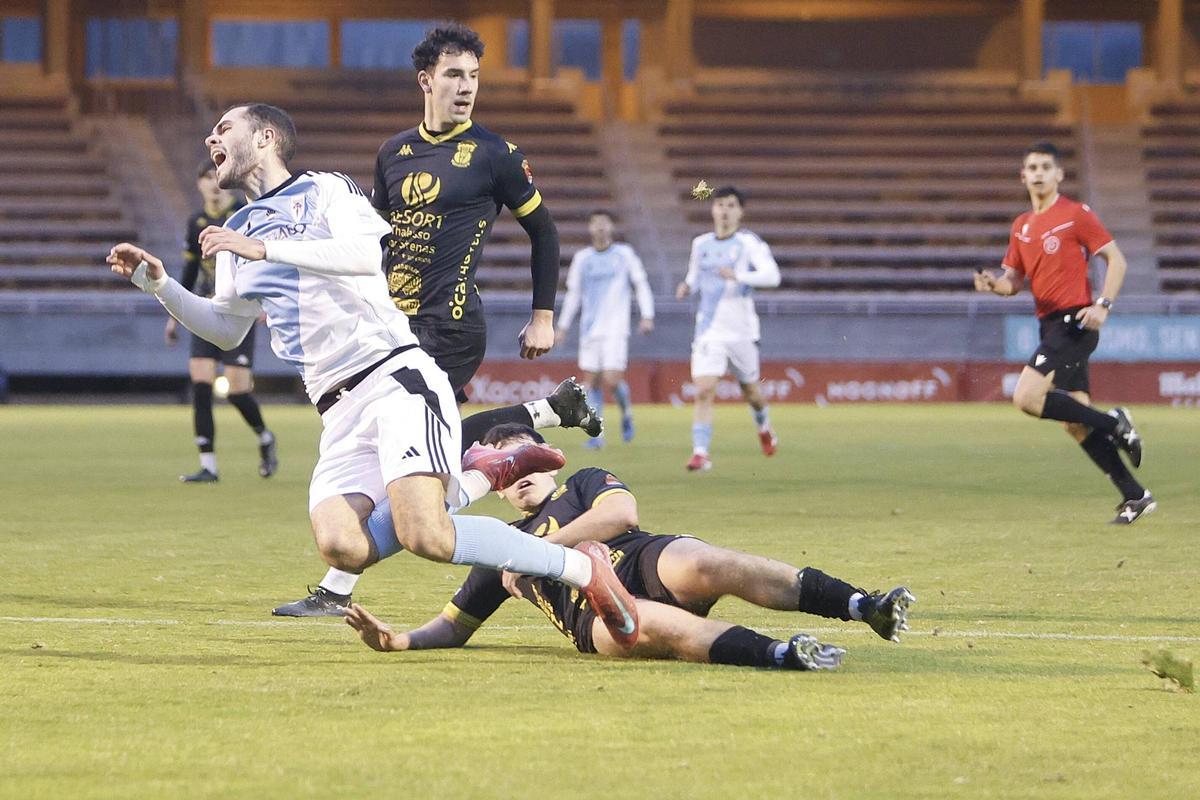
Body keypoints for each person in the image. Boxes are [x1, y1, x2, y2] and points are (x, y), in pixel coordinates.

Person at [106, 102, 640, 648]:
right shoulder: (234, 228)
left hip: (393, 377)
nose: (210, 138)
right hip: (335, 409)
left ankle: (581, 570)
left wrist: (266, 247)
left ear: (265, 137)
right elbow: (226, 330)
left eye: (224, 128)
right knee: (344, 547)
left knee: (425, 534)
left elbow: (365, 254)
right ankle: (483, 471)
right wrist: (161, 286)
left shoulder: (323, 190)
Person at [345, 424, 915, 671]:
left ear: (544, 458)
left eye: (519, 452)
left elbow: (622, 514)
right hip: (593, 617)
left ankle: (865, 606)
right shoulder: (495, 542)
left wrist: (540, 552)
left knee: (710, 561)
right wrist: (395, 640)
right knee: (650, 622)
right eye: (499, 465)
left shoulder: (581, 485)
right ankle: (784, 654)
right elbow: (454, 627)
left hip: (645, 558)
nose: (514, 470)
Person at [974, 141, 1153, 525]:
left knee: (1025, 397)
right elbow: (1015, 281)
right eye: (1031, 167)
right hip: (1050, 323)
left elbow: (1116, 260)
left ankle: (1115, 422)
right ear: (1023, 176)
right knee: (1075, 422)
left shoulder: (1076, 214)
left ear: (1059, 175)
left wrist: (1102, 305)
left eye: (1044, 167)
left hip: (1076, 322)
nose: (1037, 173)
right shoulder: (1021, 226)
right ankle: (1136, 496)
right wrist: (993, 284)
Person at [166, 160, 276, 483]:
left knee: (237, 390)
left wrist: (266, 301)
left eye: (217, 176)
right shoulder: (196, 222)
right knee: (201, 383)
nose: (213, 183)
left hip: (240, 310)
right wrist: (174, 315)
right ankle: (208, 465)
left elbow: (262, 259)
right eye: (206, 177)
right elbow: (188, 272)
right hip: (205, 307)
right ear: (199, 184)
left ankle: (264, 437)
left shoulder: (243, 214)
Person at [675, 186, 781, 472]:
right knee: (704, 389)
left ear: (740, 211)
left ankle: (764, 427)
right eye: (720, 204)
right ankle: (700, 453)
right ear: (713, 209)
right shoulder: (701, 244)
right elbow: (695, 277)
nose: (724, 210)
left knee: (752, 393)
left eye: (731, 205)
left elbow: (772, 276)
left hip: (741, 332)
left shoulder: (749, 244)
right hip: (709, 331)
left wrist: (739, 275)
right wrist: (687, 287)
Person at [555, 210, 655, 447]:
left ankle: (626, 412)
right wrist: (562, 326)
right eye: (595, 224)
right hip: (590, 330)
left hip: (616, 328)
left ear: (611, 227)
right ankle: (597, 435)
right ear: (590, 229)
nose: (600, 228)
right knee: (591, 382)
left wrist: (647, 315)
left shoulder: (624, 254)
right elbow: (574, 295)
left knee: (612, 379)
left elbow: (640, 284)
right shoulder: (583, 258)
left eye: (604, 223)